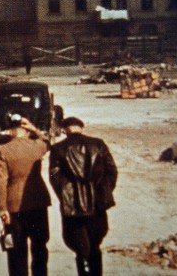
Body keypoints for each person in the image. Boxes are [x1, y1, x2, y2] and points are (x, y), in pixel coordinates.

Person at [49, 117, 118, 276]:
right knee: (95, 245)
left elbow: (54, 177)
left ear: (64, 130)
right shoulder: (98, 144)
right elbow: (112, 171)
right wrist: (104, 191)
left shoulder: (58, 148)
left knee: (81, 248)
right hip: (97, 204)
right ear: (82, 128)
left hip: (73, 207)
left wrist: (66, 195)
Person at [0, 114, 51, 276]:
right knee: (40, 246)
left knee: (17, 250)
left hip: (14, 205)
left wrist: (2, 208)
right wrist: (34, 128)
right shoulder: (37, 146)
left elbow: (1, 181)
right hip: (38, 201)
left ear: (11, 131)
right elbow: (48, 142)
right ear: (26, 130)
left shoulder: (4, 150)